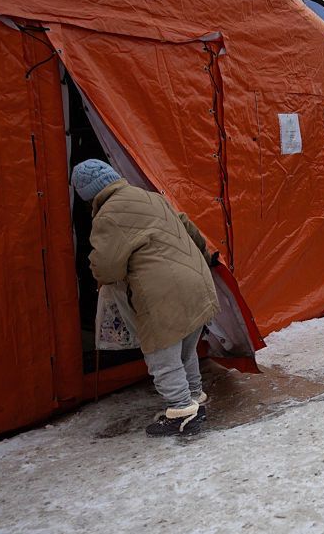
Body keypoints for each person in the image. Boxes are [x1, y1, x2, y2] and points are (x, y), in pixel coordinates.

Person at [71, 159, 220, 437]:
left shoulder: (107, 216)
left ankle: (182, 412)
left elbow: (107, 268)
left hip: (163, 294)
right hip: (197, 282)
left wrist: (97, 273)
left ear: (88, 195)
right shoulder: (151, 197)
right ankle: (194, 397)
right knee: (185, 350)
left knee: (162, 357)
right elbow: (190, 229)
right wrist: (202, 258)